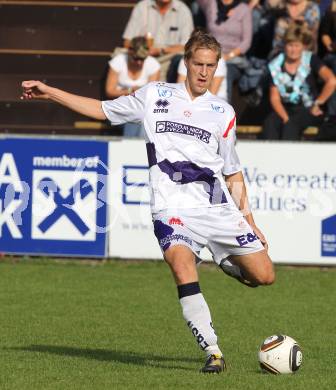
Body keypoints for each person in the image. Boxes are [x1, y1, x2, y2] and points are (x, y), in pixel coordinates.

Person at [21, 30, 275, 374]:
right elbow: (100, 109)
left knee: (265, 276)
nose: (203, 72)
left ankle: (225, 260)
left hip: (216, 207)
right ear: (185, 63)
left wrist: (251, 221)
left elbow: (232, 172)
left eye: (210, 66)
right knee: (181, 264)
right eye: (198, 64)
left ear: (217, 67)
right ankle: (213, 351)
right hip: (170, 209)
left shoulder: (222, 112)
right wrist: (50, 93)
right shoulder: (155, 95)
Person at [262, 23, 336, 140]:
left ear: (304, 46)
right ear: (285, 45)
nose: (293, 50)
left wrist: (318, 103)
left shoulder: (311, 59)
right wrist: (285, 117)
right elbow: (274, 98)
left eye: (297, 46)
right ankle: (268, 157)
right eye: (290, 45)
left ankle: (289, 157)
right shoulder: (275, 64)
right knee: (270, 123)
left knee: (292, 125)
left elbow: (332, 81)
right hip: (285, 107)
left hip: (309, 108)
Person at [196, 0, 253, 102]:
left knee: (226, 72)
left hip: (232, 59)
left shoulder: (244, 9)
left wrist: (227, 56)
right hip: (209, 55)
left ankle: (225, 109)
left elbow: (246, 42)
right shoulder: (211, 4)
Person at [105, 36, 160, 137]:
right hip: (118, 109)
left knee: (140, 117)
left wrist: (130, 92)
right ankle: (135, 149)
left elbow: (152, 95)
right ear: (129, 52)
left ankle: (133, 148)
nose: (139, 62)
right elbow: (109, 91)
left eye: (142, 59)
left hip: (142, 110)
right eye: (136, 58)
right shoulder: (119, 61)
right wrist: (132, 91)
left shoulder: (153, 64)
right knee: (137, 117)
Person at [320, 0, 336, 116]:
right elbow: (324, 35)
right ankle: (332, 114)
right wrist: (331, 46)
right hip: (333, 54)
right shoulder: (331, 15)